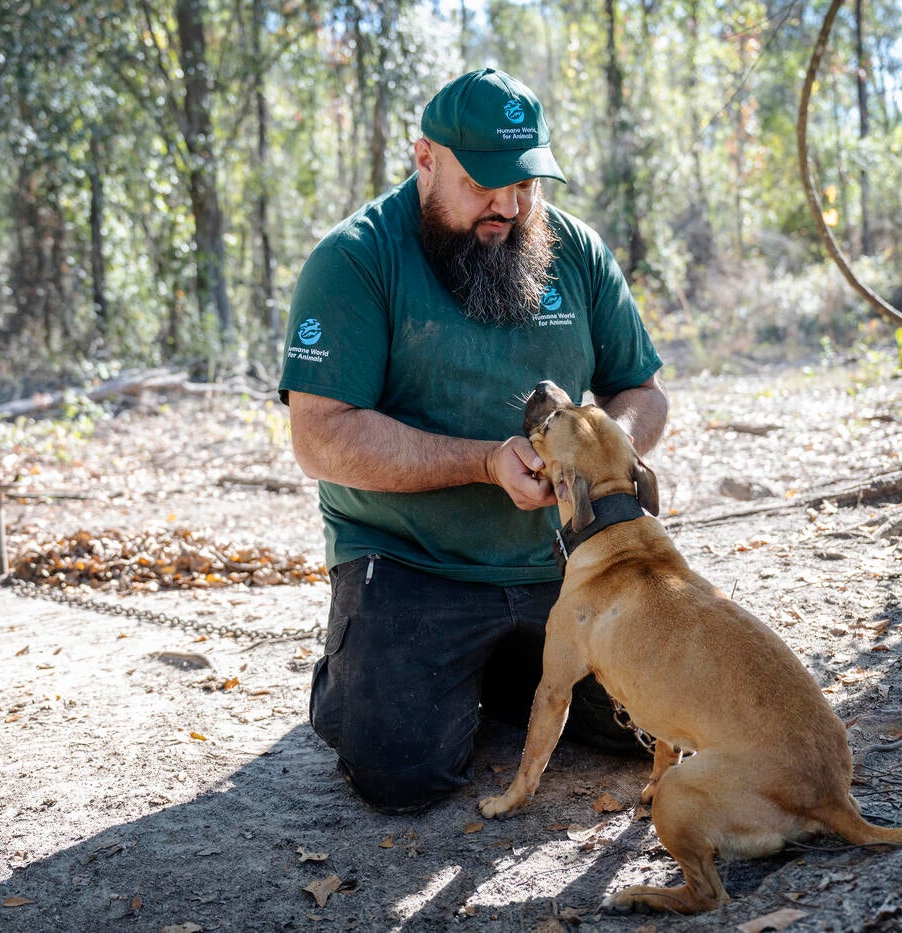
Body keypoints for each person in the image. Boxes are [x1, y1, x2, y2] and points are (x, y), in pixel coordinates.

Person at [279, 67, 668, 813]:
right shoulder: (354, 259)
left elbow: (643, 391)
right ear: (424, 159)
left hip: (566, 561)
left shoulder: (573, 249)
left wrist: (610, 446)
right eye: (483, 183)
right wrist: (484, 464)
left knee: (651, 728)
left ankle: (502, 670)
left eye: (524, 183)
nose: (508, 205)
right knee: (401, 771)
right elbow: (319, 438)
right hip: (413, 563)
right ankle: (363, 667)